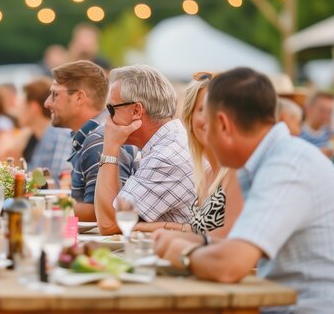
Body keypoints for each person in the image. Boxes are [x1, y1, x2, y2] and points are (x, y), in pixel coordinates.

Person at [154, 67, 334, 314]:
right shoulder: (275, 159)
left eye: (207, 126)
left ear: (222, 124)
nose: (205, 136)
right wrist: (197, 240)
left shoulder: (285, 167)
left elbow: (230, 266)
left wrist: (185, 254)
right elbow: (236, 244)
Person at [94, 65, 195, 235]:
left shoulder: (166, 157)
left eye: (111, 109)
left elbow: (109, 223)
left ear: (136, 111)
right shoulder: (169, 141)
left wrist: (110, 149)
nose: (107, 119)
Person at [44, 60, 135, 221]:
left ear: (79, 97)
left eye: (55, 94)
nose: (47, 103)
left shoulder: (97, 141)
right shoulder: (92, 136)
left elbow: (100, 211)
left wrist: (40, 206)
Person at [181, 72, 243, 236]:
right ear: (190, 118)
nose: (211, 117)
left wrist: (177, 243)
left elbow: (232, 236)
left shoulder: (237, 170)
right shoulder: (206, 174)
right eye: (203, 109)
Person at [5, 78, 72, 180]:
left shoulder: (59, 135)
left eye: (21, 105)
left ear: (33, 107)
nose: (17, 111)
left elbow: (56, 182)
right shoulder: (38, 136)